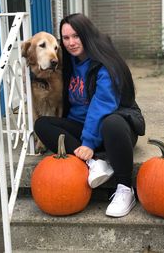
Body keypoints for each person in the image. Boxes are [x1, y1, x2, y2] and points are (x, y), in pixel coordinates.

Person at [34, 13, 145, 217]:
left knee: (111, 123)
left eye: (76, 36)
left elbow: (102, 105)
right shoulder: (69, 63)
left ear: (87, 35)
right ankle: (94, 163)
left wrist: (88, 142)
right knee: (42, 125)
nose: (71, 43)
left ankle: (124, 189)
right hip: (82, 129)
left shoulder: (105, 64)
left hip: (114, 130)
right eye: (65, 38)